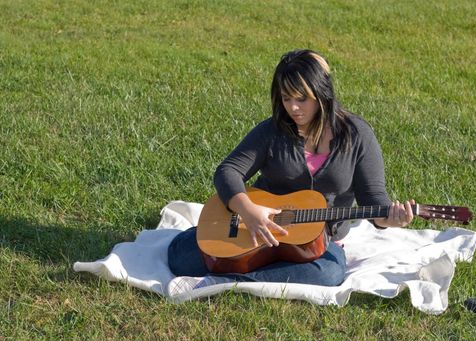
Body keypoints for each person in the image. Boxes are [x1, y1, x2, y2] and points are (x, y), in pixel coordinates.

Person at [167, 49, 415, 290]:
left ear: (321, 94)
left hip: (318, 242)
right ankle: (256, 264)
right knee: (180, 256)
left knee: (329, 273)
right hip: (256, 228)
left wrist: (390, 219)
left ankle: (227, 281)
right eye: (287, 98)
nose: (293, 108)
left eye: (301, 98)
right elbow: (228, 171)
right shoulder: (272, 131)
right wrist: (248, 210)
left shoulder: (357, 134)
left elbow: (374, 199)